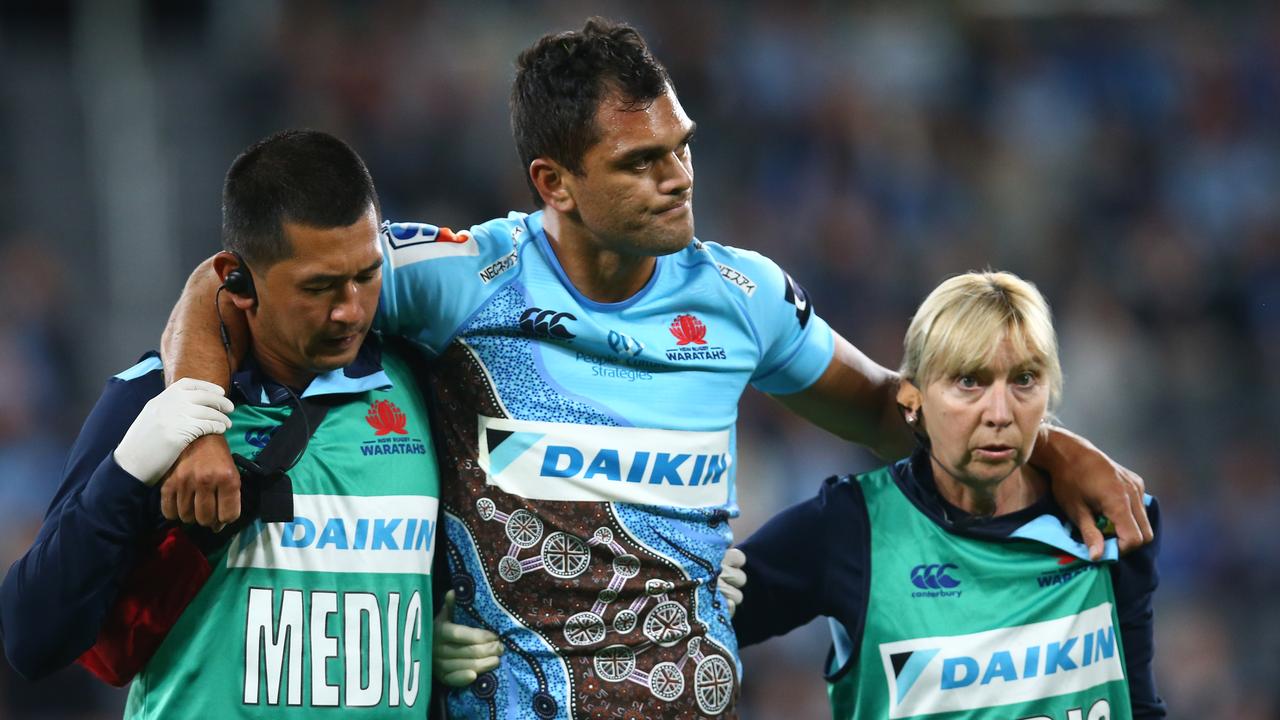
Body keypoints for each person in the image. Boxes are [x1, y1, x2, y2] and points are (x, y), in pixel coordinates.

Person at [157, 19, 1151, 720]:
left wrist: (1056, 448)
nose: (676, 178)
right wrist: (199, 424)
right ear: (553, 183)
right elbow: (226, 283)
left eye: (679, 148)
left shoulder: (742, 296)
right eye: (639, 162)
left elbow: (898, 415)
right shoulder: (461, 280)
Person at [0, 129, 444, 716]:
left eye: (365, 276)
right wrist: (128, 471)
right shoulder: (153, 399)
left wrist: (442, 632)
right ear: (239, 278)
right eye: (317, 288)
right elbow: (31, 638)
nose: (350, 310)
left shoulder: (416, 382)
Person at [731, 271, 1164, 719]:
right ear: (912, 399)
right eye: (969, 382)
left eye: (1025, 380)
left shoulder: (1110, 518)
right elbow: (681, 636)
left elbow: (1139, 706)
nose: (999, 413)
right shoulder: (849, 530)